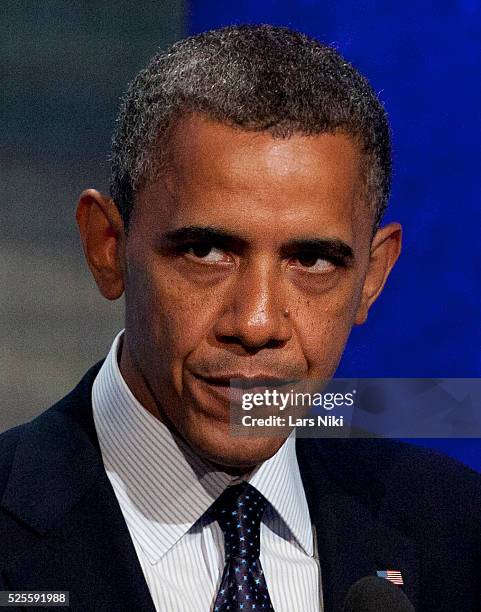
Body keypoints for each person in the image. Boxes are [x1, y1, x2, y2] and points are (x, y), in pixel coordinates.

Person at [0, 24, 480, 612]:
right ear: (107, 247)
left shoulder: (458, 531)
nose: (255, 324)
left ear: (372, 278)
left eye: (311, 260)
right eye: (206, 252)